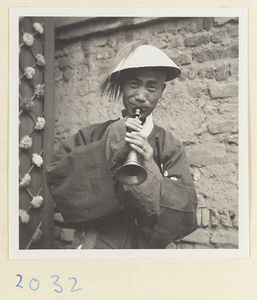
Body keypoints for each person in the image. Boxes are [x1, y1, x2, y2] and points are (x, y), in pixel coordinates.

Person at [45, 40, 197, 249]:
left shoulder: (170, 146)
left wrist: (151, 176)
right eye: (134, 84)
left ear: (162, 91)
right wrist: (107, 148)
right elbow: (57, 176)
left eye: (151, 87)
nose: (141, 96)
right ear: (122, 85)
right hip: (98, 243)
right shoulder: (91, 135)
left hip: (149, 248)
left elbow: (186, 211)